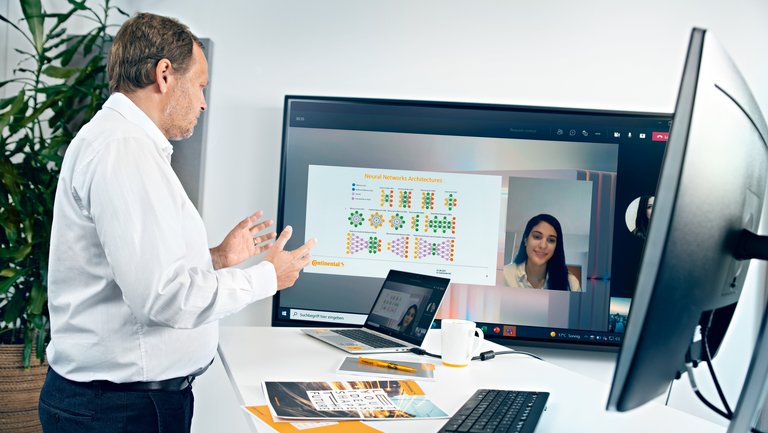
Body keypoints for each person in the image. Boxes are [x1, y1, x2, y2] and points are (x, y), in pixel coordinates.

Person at [39, 12, 316, 433]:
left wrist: (218, 258)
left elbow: (138, 271)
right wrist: (266, 278)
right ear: (164, 74)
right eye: (201, 86)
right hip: (121, 411)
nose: (204, 102)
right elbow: (165, 298)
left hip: (120, 404)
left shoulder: (122, 144)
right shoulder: (123, 151)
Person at [503, 214, 581, 292]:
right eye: (537, 237)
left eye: (551, 240)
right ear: (526, 240)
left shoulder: (571, 284)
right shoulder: (504, 276)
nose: (543, 246)